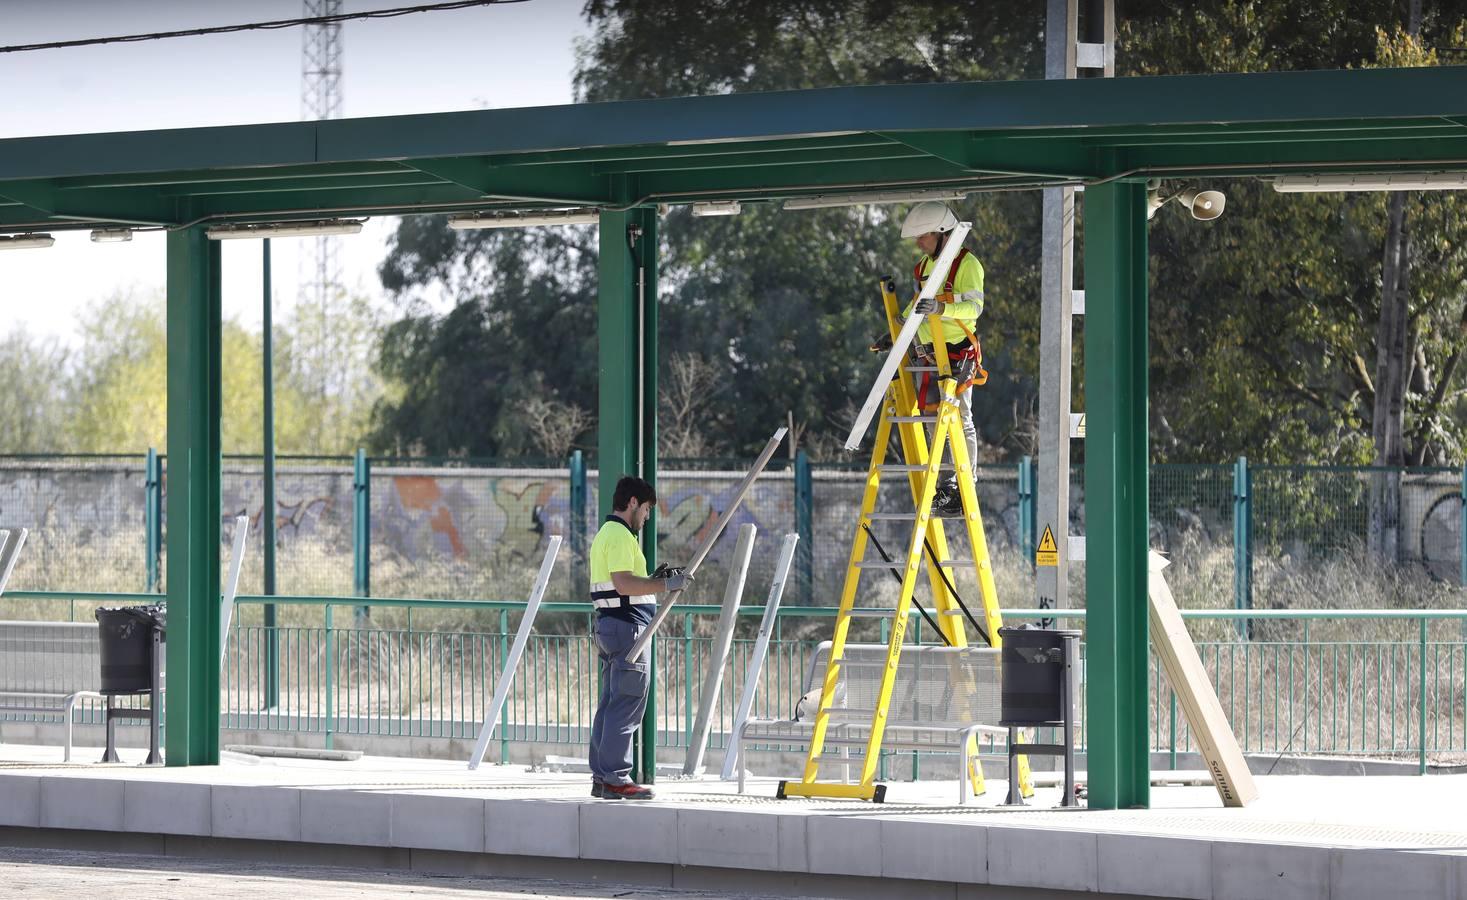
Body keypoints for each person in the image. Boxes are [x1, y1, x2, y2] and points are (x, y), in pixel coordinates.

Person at [587, 475, 692, 800]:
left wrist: (653, 580)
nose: (646, 517)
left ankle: (603, 777)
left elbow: (626, 584)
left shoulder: (607, 534)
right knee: (627, 702)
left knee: (610, 703)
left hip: (611, 626)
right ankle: (617, 777)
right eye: (646, 509)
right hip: (628, 629)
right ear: (632, 502)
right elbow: (624, 584)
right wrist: (664, 586)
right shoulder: (619, 535)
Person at [900, 200, 985, 515]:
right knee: (935, 419)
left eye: (924, 235)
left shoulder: (967, 264)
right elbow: (916, 306)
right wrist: (897, 331)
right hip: (930, 353)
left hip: (958, 352)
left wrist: (941, 309)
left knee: (961, 419)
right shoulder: (923, 266)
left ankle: (966, 486)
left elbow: (974, 308)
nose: (919, 242)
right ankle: (946, 487)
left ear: (942, 233)